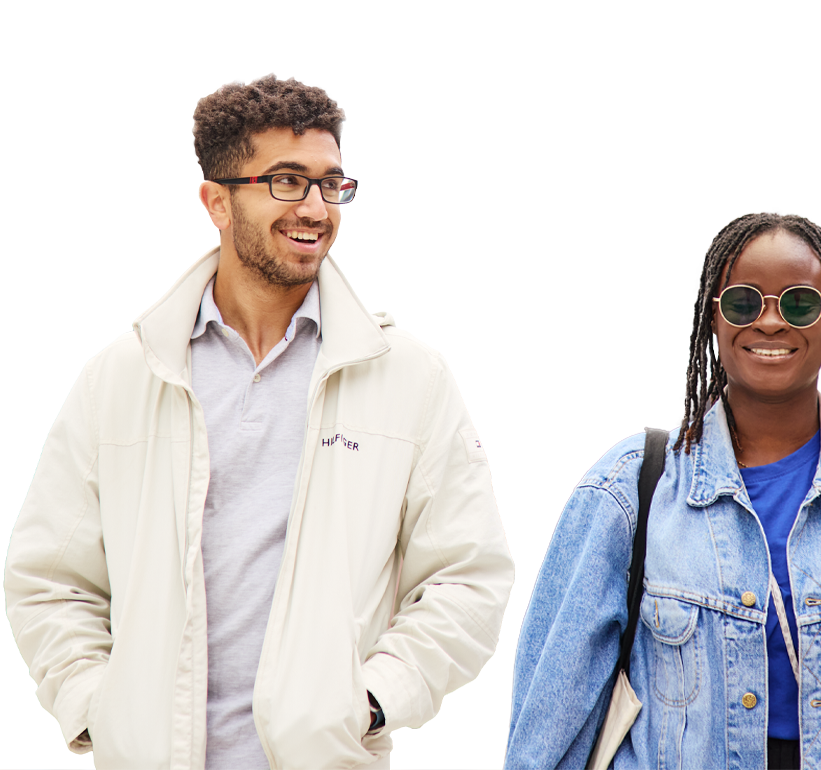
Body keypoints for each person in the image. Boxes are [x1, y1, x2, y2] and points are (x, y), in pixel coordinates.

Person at [4, 74, 514, 770]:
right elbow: (48, 579)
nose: (315, 207)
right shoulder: (121, 378)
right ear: (216, 200)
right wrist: (98, 707)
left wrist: (369, 701)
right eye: (286, 181)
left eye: (331, 183)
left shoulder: (409, 380)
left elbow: (469, 577)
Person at [504, 212, 821, 769]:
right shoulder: (627, 494)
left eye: (798, 303)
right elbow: (549, 722)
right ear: (711, 318)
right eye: (742, 303)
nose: (769, 323)